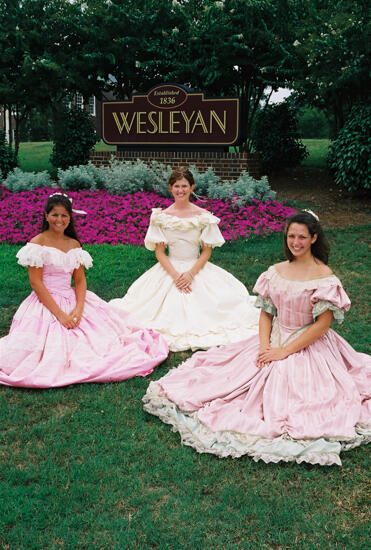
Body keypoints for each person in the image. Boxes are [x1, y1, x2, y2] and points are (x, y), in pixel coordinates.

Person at [143, 211, 371, 466]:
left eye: (302, 237)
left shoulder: (323, 277)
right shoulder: (276, 272)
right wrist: (265, 346)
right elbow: (266, 314)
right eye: (291, 236)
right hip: (273, 338)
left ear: (314, 238)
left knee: (297, 389)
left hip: (309, 343)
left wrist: (284, 352)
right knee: (236, 376)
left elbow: (323, 325)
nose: (295, 242)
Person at [0, 193, 168, 388]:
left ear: (70, 218)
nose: (59, 220)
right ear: (46, 216)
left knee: (100, 340)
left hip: (71, 296)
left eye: (64, 216)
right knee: (53, 342)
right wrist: (61, 315)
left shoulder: (74, 244)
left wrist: (78, 309)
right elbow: (37, 283)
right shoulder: (37, 243)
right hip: (45, 300)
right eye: (55, 215)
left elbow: (79, 281)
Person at [110, 167, 260, 352]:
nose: (181, 190)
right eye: (177, 186)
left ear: (192, 187)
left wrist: (190, 274)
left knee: (218, 307)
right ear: (170, 188)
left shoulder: (203, 216)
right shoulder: (161, 217)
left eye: (184, 186)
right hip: (169, 267)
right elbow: (159, 253)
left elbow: (206, 252)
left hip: (195, 266)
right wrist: (175, 275)